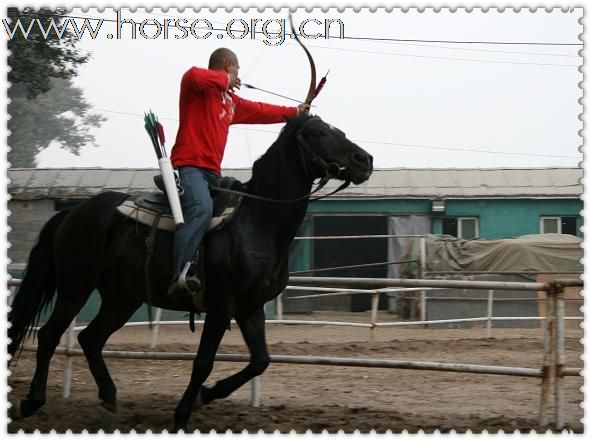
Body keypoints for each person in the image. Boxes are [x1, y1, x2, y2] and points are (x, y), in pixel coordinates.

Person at [168, 47, 310, 298]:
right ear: (228, 65)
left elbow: (261, 110)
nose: (239, 74)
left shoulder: (230, 102)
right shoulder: (196, 87)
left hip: (212, 173)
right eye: (237, 69)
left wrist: (294, 113)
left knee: (240, 205)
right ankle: (178, 273)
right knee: (201, 209)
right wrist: (225, 80)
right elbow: (192, 74)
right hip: (189, 168)